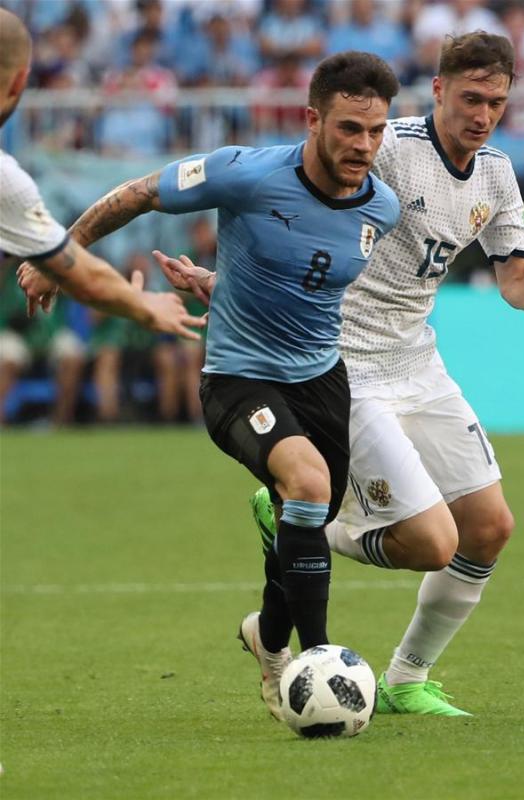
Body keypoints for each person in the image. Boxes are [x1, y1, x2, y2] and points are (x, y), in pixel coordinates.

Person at [159, 32, 524, 718]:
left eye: (496, 102)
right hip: (345, 364)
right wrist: (229, 282)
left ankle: (405, 678)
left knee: (489, 528)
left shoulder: (495, 173)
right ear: (438, 90)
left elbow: (516, 281)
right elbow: (292, 216)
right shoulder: (384, 145)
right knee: (432, 543)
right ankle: (302, 519)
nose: (483, 115)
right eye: (470, 98)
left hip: (418, 362)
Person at [26, 50, 401, 721]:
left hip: (322, 378)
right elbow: (139, 193)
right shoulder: (246, 172)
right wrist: (62, 258)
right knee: (308, 484)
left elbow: (306, 280)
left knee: (306, 516)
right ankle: (319, 664)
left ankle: (269, 638)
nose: (363, 145)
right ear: (313, 120)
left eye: (376, 131)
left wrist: (219, 281)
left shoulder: (383, 207)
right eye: (349, 128)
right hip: (237, 376)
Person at [0, 8, 203, 342]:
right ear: (21, 81)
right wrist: (144, 304)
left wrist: (47, 261)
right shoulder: (7, 180)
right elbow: (84, 275)